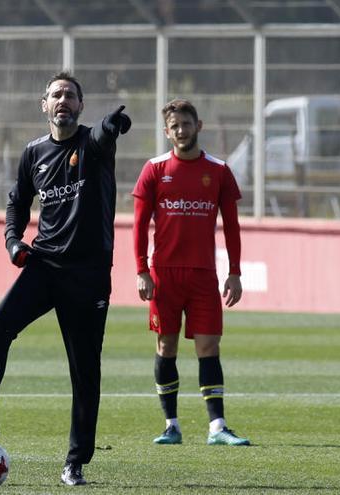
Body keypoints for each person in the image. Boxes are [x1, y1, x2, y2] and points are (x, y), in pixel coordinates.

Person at [0, 71, 131, 486]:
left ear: (81, 106)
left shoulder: (93, 145)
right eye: (56, 95)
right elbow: (16, 204)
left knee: (84, 371)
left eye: (70, 95)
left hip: (88, 276)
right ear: (43, 104)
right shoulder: (33, 153)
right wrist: (14, 242)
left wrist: (113, 124)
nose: (63, 100)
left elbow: (104, 135)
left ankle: (75, 462)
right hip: (45, 266)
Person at [132, 98, 249, 447]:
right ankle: (171, 424)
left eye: (187, 124)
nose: (181, 131)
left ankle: (217, 427)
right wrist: (141, 270)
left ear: (198, 127)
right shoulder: (153, 169)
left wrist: (235, 272)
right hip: (164, 275)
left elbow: (232, 226)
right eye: (175, 126)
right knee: (165, 345)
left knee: (208, 347)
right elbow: (138, 226)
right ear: (167, 132)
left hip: (203, 276)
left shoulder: (218, 170)